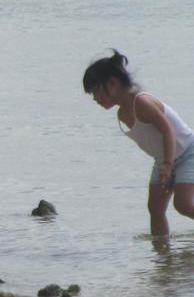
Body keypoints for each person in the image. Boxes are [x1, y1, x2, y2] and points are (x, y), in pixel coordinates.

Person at [83, 50, 194, 237]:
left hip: (187, 152)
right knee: (155, 208)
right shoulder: (122, 114)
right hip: (164, 159)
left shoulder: (141, 102)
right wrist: (164, 164)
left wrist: (168, 164)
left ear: (113, 83)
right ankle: (163, 257)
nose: (95, 99)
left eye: (96, 92)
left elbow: (168, 130)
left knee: (182, 204)